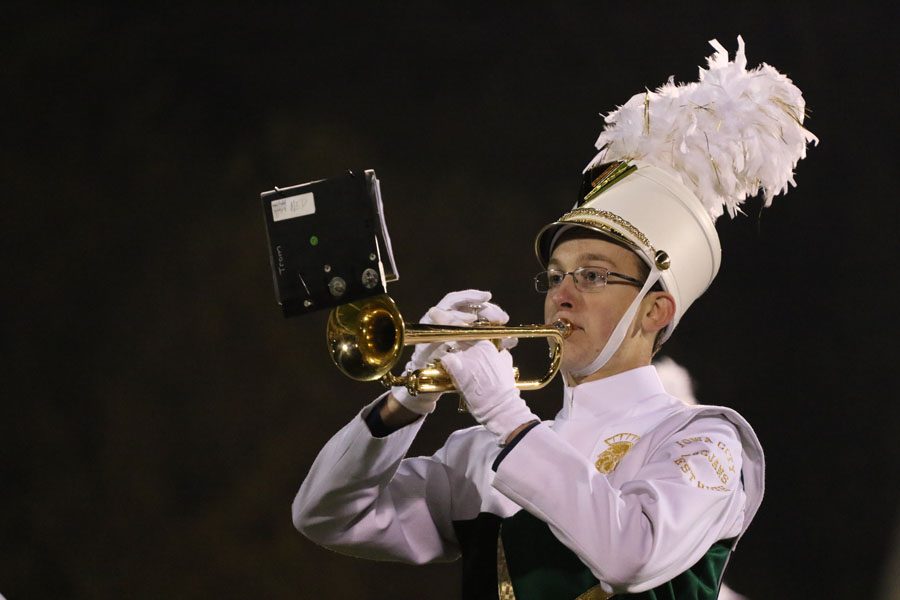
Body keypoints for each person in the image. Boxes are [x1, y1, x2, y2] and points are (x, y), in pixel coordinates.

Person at [292, 37, 816, 599]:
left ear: (654, 310)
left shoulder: (702, 439)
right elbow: (325, 516)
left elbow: (631, 555)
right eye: (556, 276)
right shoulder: (480, 454)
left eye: (592, 275)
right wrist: (409, 399)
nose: (562, 295)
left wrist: (506, 413)